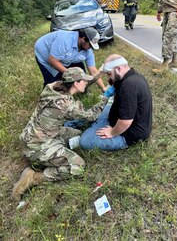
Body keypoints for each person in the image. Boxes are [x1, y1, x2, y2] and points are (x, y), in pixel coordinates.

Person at [12, 67, 114, 201]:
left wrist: (100, 72)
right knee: (78, 166)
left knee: (77, 135)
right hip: (37, 146)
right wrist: (106, 96)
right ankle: (33, 178)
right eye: (84, 80)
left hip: (34, 135)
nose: (86, 83)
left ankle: (57, 152)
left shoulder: (53, 87)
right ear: (76, 83)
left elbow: (82, 83)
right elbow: (92, 115)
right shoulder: (66, 105)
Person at [79, 54, 152, 150]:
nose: (109, 78)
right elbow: (111, 90)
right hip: (115, 116)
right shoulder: (132, 76)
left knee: (84, 142)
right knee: (95, 110)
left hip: (130, 133)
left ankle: (96, 125)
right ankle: (96, 123)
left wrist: (112, 132)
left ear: (118, 69)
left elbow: (126, 121)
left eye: (109, 74)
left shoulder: (129, 86)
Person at [35, 27, 106, 91]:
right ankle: (47, 96)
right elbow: (53, 60)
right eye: (90, 45)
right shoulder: (65, 40)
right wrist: (71, 75)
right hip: (45, 56)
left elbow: (93, 71)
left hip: (66, 57)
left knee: (79, 69)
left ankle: (81, 89)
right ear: (83, 38)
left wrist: (103, 88)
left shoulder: (88, 50)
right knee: (54, 85)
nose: (90, 48)